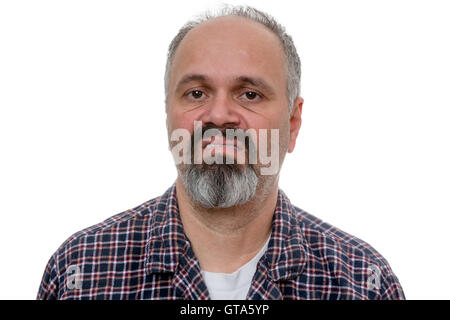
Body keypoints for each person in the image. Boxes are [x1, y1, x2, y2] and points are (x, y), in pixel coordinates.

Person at [37, 5, 405, 300]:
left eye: (250, 94)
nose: (218, 116)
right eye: (196, 93)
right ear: (169, 114)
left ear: (292, 124)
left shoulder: (363, 283)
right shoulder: (80, 273)